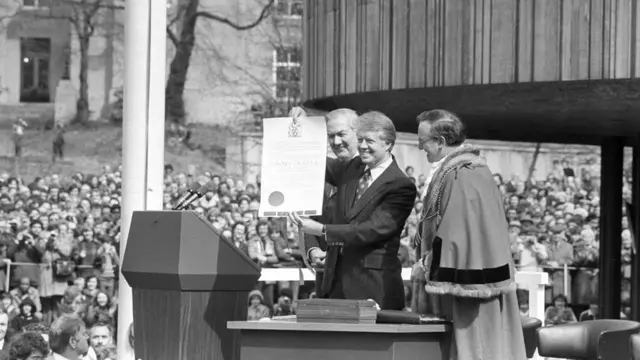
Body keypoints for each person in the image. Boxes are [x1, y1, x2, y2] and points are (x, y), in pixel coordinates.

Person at [411, 109, 526, 359]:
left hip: (470, 292)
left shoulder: (463, 173)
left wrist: (428, 264)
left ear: (441, 142)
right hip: (461, 290)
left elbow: (461, 234)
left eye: (422, 141)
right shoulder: (462, 169)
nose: (420, 148)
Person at [291, 111, 416, 310]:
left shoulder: (401, 185)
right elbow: (313, 161)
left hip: (373, 288)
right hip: (335, 287)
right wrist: (303, 128)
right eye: (360, 140)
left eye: (370, 141)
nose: (363, 146)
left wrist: (323, 230)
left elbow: (371, 230)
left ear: (388, 144)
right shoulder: (352, 168)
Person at [290, 107, 361, 297]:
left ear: (358, 132)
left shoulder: (370, 172)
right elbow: (310, 218)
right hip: (324, 275)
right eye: (331, 136)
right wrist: (314, 251)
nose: (336, 142)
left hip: (356, 276)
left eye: (342, 134)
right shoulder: (323, 173)